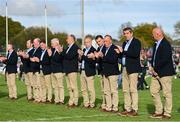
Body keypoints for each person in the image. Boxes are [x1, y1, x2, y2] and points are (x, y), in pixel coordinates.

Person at [149, 27, 175, 119]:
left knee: (166, 93)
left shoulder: (166, 44)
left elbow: (165, 59)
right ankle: (159, 111)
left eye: (153, 33)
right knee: (153, 91)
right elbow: (154, 58)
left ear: (158, 34)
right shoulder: (156, 44)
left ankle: (167, 113)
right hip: (156, 72)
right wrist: (152, 67)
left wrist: (155, 69)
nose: (152, 35)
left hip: (165, 73)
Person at [117, 27, 141, 117]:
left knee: (133, 89)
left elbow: (135, 54)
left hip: (133, 69)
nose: (125, 35)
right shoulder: (124, 43)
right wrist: (119, 52)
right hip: (124, 68)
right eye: (124, 33)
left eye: (127, 33)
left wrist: (124, 51)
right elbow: (123, 55)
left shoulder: (136, 42)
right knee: (125, 90)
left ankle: (134, 109)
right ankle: (128, 109)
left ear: (131, 33)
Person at [96, 35, 119, 112]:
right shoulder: (104, 49)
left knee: (114, 91)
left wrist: (103, 56)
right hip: (105, 73)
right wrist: (97, 57)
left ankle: (115, 107)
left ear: (110, 41)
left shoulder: (114, 48)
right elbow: (101, 61)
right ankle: (108, 107)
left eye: (106, 41)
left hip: (113, 73)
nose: (105, 42)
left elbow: (113, 60)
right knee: (106, 91)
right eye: (104, 41)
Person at [78, 35, 96, 108]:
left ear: (91, 42)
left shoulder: (94, 50)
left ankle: (92, 104)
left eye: (88, 42)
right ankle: (86, 103)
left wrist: (83, 55)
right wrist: (80, 56)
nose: (86, 44)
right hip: (82, 71)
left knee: (91, 89)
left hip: (89, 72)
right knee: (83, 89)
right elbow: (81, 60)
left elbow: (90, 60)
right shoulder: (85, 50)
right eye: (85, 42)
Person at [63, 34, 79, 107]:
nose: (66, 40)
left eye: (68, 39)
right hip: (67, 70)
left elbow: (69, 57)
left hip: (72, 70)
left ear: (72, 39)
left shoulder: (75, 47)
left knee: (74, 87)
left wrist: (62, 51)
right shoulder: (67, 47)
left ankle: (75, 102)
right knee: (69, 87)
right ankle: (71, 101)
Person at [47, 38, 64, 104]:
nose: (51, 45)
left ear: (57, 43)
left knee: (60, 86)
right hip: (53, 71)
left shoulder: (61, 49)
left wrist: (59, 52)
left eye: (52, 43)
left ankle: (61, 100)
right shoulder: (53, 50)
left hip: (59, 71)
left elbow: (59, 60)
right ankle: (56, 100)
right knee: (55, 87)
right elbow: (52, 60)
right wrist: (50, 56)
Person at [94, 35, 106, 110]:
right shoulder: (98, 48)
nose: (98, 43)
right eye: (97, 42)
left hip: (107, 71)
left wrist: (101, 56)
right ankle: (104, 104)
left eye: (99, 41)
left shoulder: (106, 47)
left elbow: (105, 58)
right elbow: (98, 61)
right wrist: (95, 57)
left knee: (107, 90)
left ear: (103, 40)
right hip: (101, 71)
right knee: (103, 89)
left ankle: (108, 104)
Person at [30, 38, 42, 103]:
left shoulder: (40, 50)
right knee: (35, 85)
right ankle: (36, 98)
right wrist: (32, 59)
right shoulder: (34, 50)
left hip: (37, 70)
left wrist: (35, 59)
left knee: (38, 85)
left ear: (38, 43)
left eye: (34, 42)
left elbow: (39, 59)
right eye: (33, 42)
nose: (33, 43)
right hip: (33, 70)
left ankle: (40, 98)